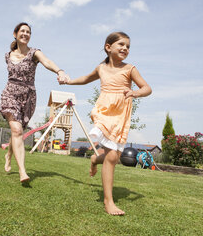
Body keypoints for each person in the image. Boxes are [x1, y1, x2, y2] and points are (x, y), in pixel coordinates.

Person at [65, 32, 152, 215]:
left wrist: (134, 93)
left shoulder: (130, 68)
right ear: (108, 47)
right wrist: (69, 81)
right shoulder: (101, 68)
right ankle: (108, 202)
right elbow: (86, 79)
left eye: (128, 46)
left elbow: (147, 88)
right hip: (104, 111)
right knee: (112, 157)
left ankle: (95, 159)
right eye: (121, 44)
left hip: (120, 114)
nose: (125, 48)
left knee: (114, 157)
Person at [0, 22, 69, 183]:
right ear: (15, 34)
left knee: (17, 131)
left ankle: (9, 155)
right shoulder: (7, 55)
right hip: (10, 94)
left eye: (28, 32)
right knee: (16, 130)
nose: (25, 34)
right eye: (22, 31)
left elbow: (47, 62)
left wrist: (59, 71)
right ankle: (22, 172)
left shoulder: (34, 53)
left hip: (28, 97)